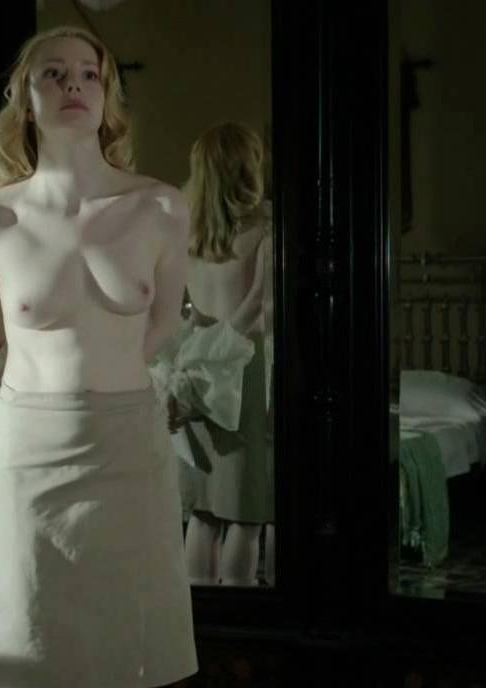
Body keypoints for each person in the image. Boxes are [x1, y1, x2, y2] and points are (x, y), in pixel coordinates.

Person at [0, 26, 197, 688]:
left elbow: (162, 325)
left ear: (107, 94)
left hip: (127, 446)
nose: (73, 85)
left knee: (129, 646)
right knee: (27, 645)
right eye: (53, 74)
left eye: (88, 73)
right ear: (26, 99)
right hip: (28, 451)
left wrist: (108, 387)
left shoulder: (161, 207)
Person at [171, 122, 275, 587]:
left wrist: (192, 368)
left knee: (205, 513)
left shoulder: (187, 237)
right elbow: (258, 311)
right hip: (243, 373)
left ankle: (202, 620)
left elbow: (191, 314)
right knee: (245, 516)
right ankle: (241, 617)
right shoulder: (265, 234)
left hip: (198, 371)